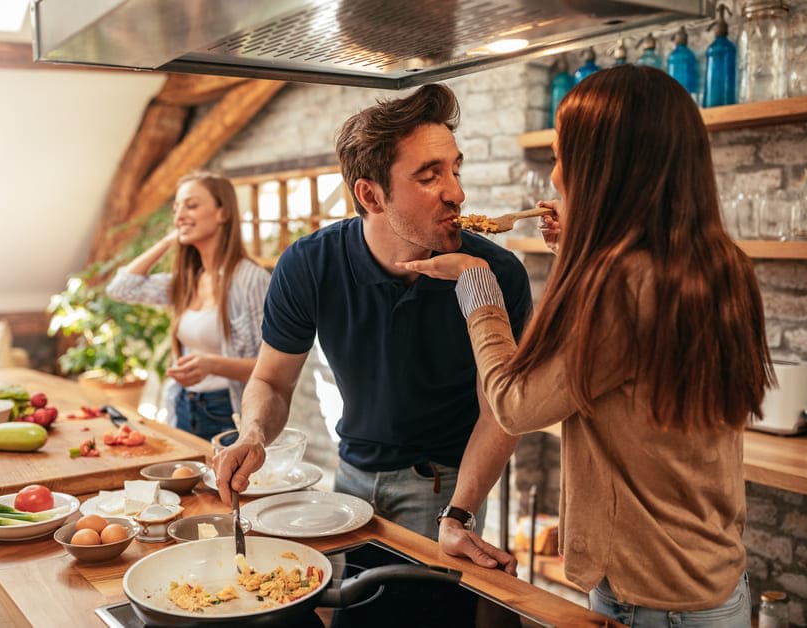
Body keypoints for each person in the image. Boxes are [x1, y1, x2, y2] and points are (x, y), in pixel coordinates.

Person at [400, 65, 773, 627]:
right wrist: (578, 253)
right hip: (713, 583)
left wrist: (477, 282)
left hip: (652, 601)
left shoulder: (620, 288)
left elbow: (517, 403)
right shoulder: (718, 265)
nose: (554, 178)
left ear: (605, 170)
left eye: (562, 156)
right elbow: (623, 358)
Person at [213, 84, 532, 572]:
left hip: (444, 484)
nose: (457, 192)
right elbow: (272, 380)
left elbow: (500, 413)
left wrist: (459, 513)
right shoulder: (308, 264)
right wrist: (254, 434)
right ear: (370, 194)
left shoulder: (494, 272)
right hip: (350, 477)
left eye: (455, 168)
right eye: (429, 176)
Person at [106, 171, 270, 439]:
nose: (180, 214)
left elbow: (269, 368)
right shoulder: (187, 281)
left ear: (223, 213)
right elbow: (121, 288)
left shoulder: (250, 280)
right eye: (176, 209)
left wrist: (212, 365)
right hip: (183, 404)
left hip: (228, 412)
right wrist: (171, 239)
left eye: (191, 205)